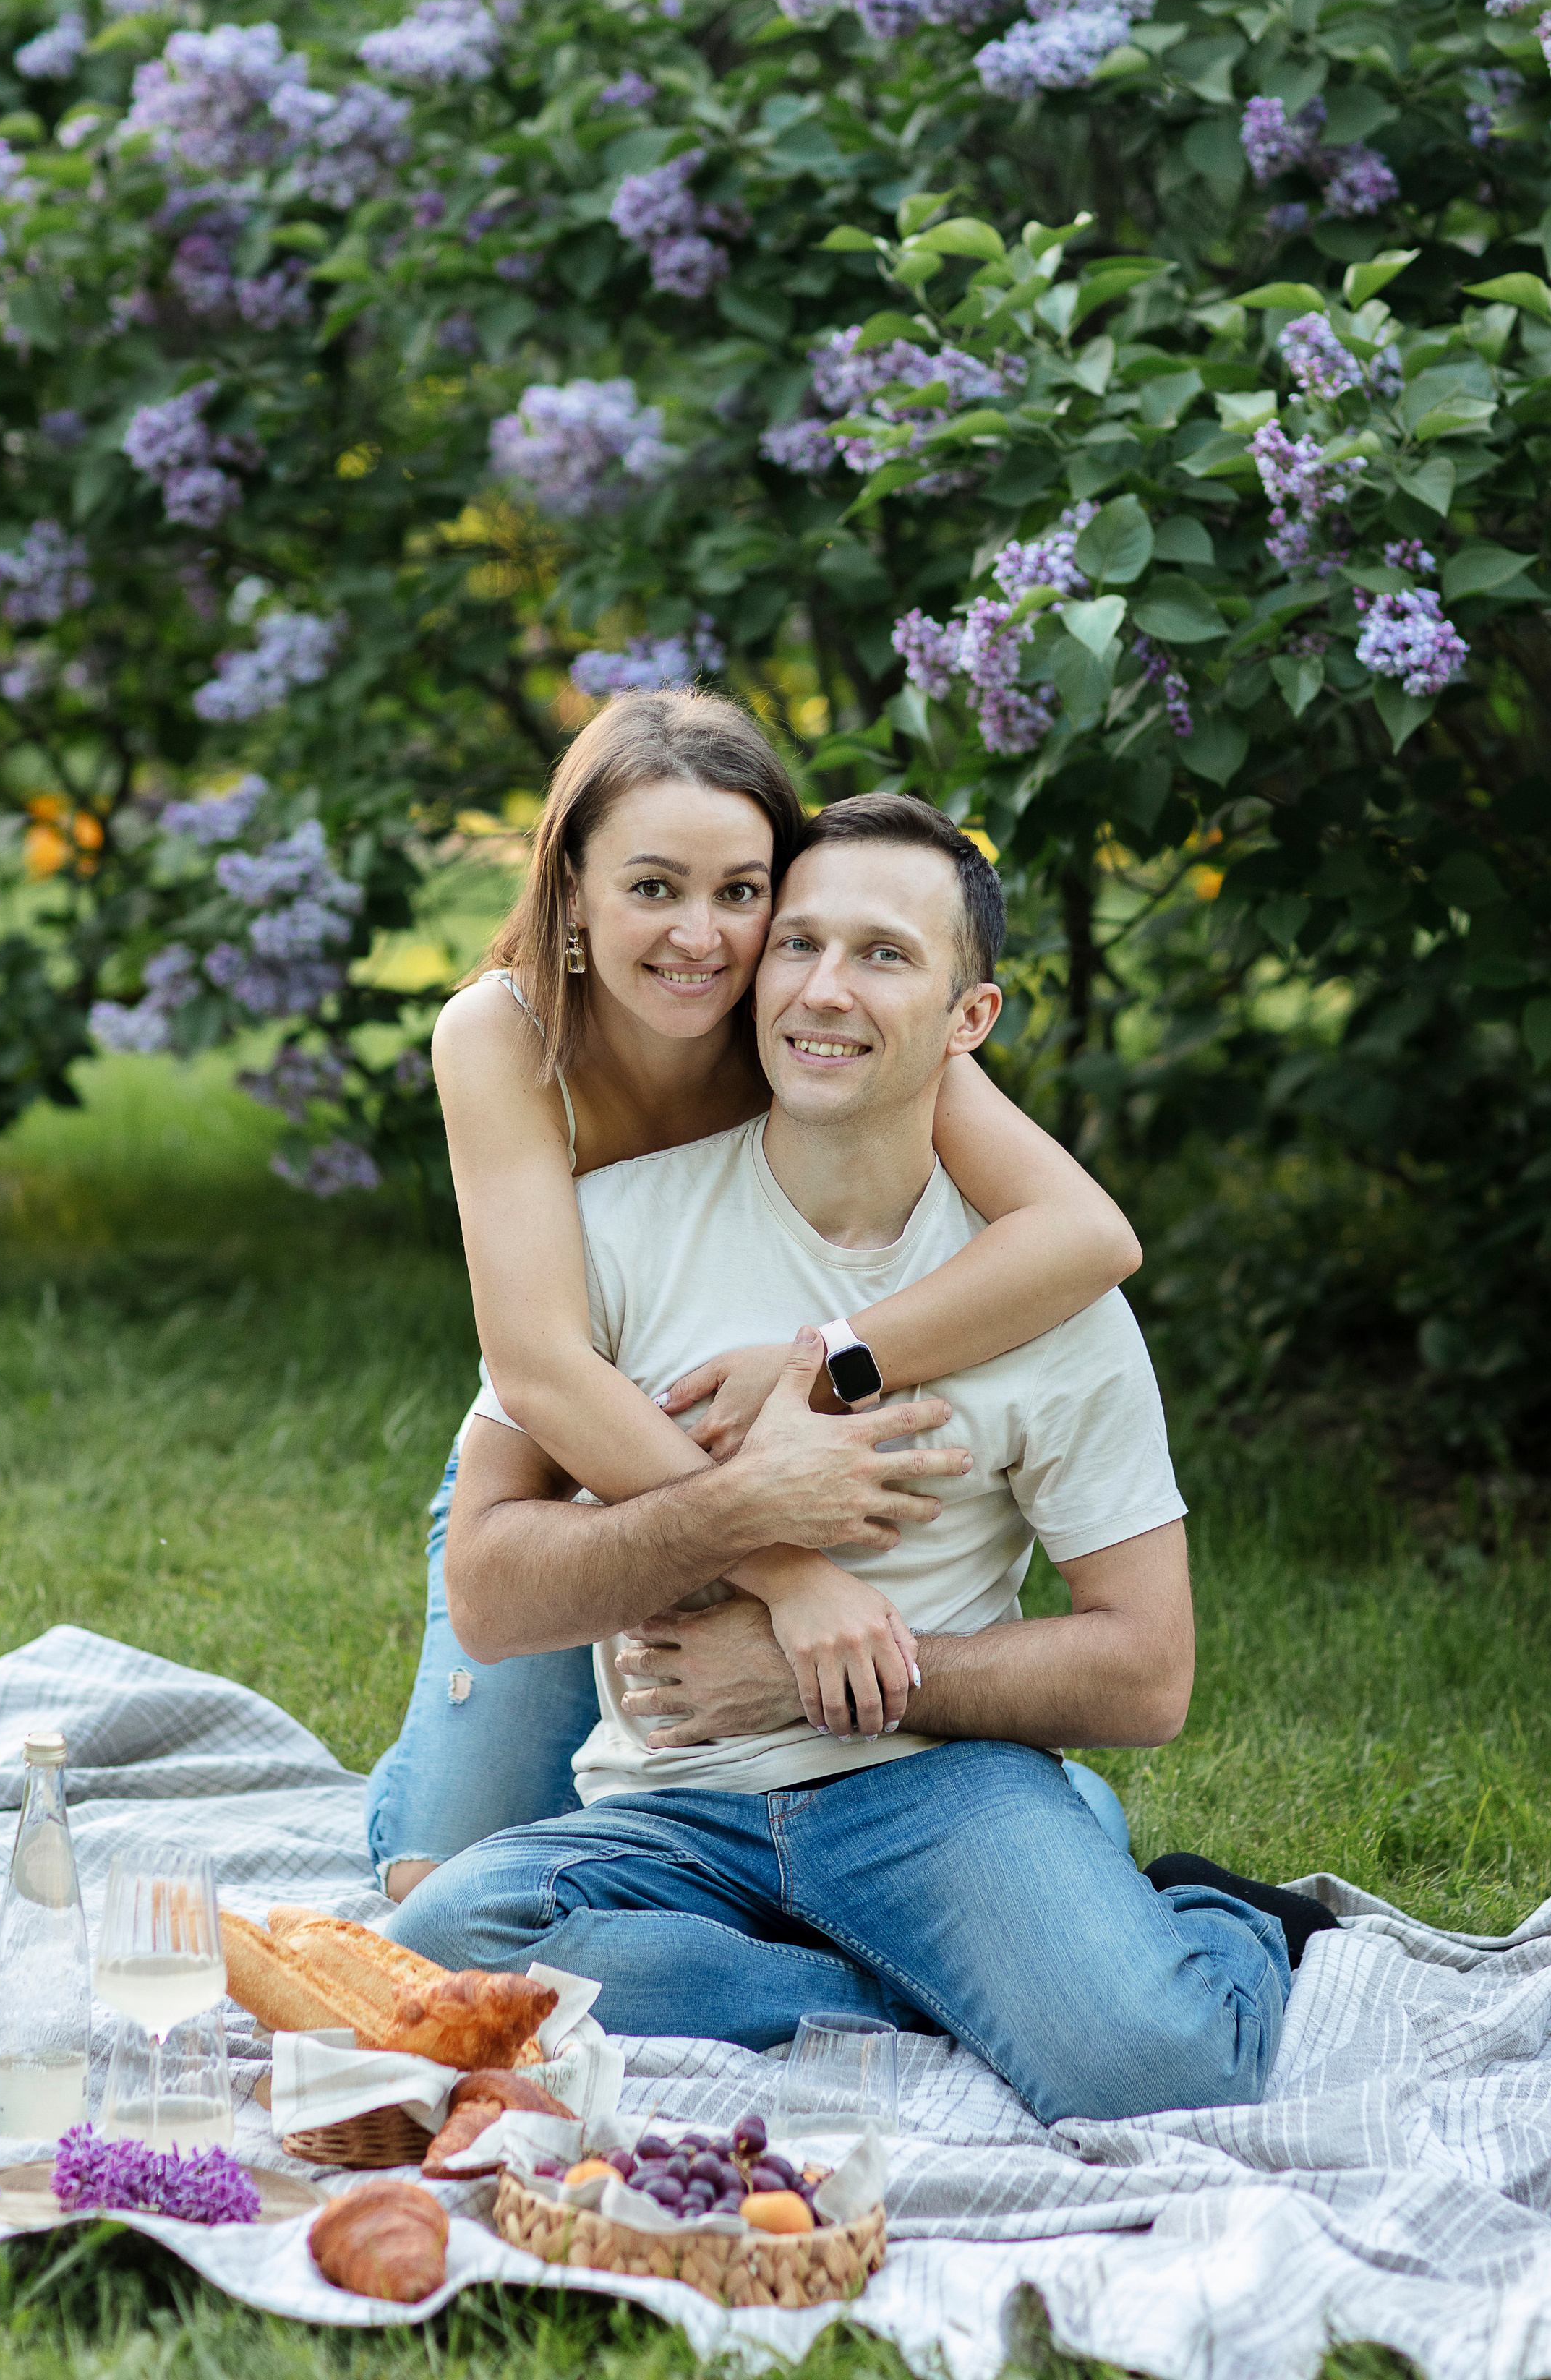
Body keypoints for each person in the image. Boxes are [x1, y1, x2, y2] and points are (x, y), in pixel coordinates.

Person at [385, 796, 1335, 2126]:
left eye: (885, 955)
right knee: (428, 1958)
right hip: (671, 1812)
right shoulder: (609, 1232)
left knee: (1157, 2070)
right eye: (801, 945)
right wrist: (744, 1525)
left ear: (970, 1019)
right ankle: (918, 1983)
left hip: (931, 1786)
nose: (826, 989)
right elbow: (489, 1586)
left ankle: (1200, 1925)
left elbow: (1148, 1668)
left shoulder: (1041, 1295)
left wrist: (837, 1680)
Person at [365, 692, 1145, 1901]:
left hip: (754, 1429)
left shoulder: (809, 1019)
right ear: (571, 887)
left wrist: (823, 1362)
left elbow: (1087, 1235)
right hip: (575, 1454)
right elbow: (539, 1372)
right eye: (652, 888)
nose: (700, 938)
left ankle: (1036, 1818)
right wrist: (780, 1565)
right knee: (436, 1894)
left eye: (740, 892)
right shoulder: (501, 1034)